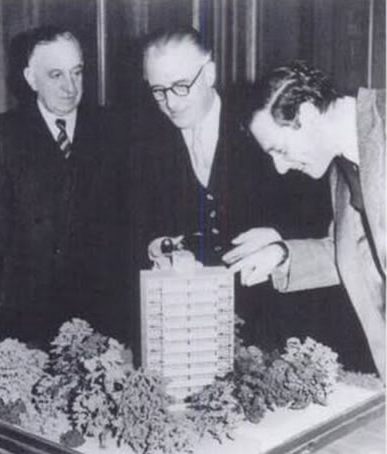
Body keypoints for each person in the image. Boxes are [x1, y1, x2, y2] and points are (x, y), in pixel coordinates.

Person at [131, 27, 362, 361]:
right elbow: (129, 221)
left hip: (284, 317)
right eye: (158, 91)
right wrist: (157, 245)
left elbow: (331, 224)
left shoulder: (265, 115)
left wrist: (280, 238)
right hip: (197, 324)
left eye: (181, 85)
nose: (171, 101)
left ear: (209, 73)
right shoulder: (140, 137)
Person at [223, 61, 385, 379]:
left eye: (280, 150)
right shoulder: (341, 169)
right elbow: (357, 253)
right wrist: (280, 254)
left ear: (308, 115)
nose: (280, 168)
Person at [0, 26, 130, 348]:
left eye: (76, 72)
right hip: (30, 323)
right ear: (31, 78)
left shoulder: (114, 130)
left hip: (104, 320)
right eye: (56, 75)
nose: (70, 87)